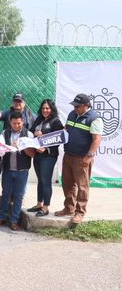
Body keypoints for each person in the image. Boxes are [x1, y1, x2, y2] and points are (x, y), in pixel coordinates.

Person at [55, 94, 103, 224]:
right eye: (74, 105)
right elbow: (66, 129)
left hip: (82, 158)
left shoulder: (94, 118)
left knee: (82, 186)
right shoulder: (72, 114)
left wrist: (89, 156)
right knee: (68, 184)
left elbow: (97, 139)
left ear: (86, 105)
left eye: (78, 106)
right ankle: (68, 208)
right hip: (68, 155)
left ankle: (80, 212)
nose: (75, 108)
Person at [0, 112, 36, 231]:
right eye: (14, 123)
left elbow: (32, 154)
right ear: (10, 122)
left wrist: (23, 146)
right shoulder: (4, 133)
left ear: (22, 122)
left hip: (22, 170)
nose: (16, 125)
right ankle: (1, 218)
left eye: (18, 123)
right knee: (5, 194)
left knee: (18, 196)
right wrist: (7, 147)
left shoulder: (29, 134)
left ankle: (14, 221)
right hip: (7, 169)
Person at [26, 99, 64, 217]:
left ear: (52, 109)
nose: (45, 110)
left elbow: (58, 140)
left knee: (46, 180)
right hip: (37, 154)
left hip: (49, 155)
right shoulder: (39, 119)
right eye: (43, 108)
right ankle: (39, 204)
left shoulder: (56, 122)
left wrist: (45, 147)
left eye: (47, 108)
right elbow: (31, 132)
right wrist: (35, 135)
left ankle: (46, 207)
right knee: (40, 180)